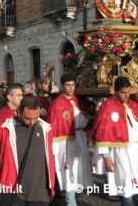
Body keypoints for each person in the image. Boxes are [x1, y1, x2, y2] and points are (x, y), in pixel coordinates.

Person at [92, 76, 138, 206]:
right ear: (115, 91)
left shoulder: (133, 103)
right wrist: (106, 157)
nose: (126, 96)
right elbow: (103, 134)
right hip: (121, 152)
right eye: (123, 93)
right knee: (126, 186)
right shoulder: (107, 107)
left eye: (129, 92)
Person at [0, 96, 55, 205]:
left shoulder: (46, 130)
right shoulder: (5, 131)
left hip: (40, 192)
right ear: (18, 112)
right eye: (28, 118)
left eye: (36, 117)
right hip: (14, 190)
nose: (32, 122)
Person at [47, 73, 93, 206]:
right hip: (66, 142)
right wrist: (54, 150)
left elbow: (91, 113)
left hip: (80, 138)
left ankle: (74, 200)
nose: (71, 88)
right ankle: (70, 202)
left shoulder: (80, 101)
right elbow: (53, 127)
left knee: (79, 171)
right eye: (68, 85)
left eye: (73, 85)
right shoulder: (57, 104)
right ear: (62, 86)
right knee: (68, 174)